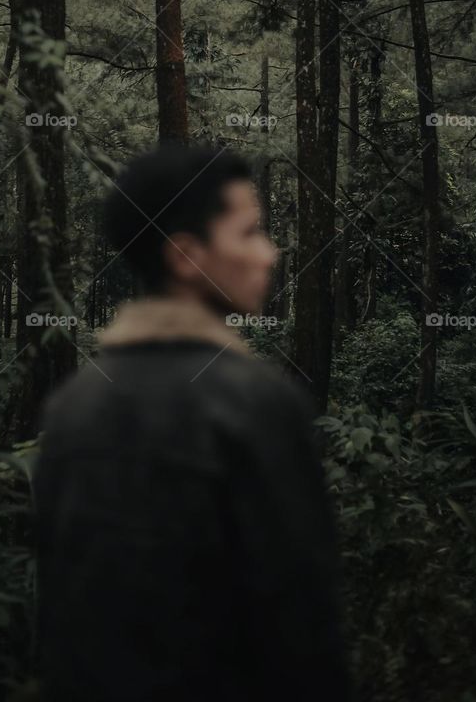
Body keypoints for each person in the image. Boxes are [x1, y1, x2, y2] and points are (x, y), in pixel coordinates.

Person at [32, 142, 352, 702]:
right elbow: (302, 624)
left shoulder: (71, 405)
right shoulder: (253, 402)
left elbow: (62, 616)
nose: (270, 253)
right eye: (250, 232)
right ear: (185, 256)